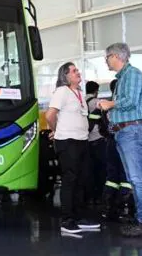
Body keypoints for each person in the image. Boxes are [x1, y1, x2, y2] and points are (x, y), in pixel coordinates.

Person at [98, 43, 142, 237]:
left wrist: (109, 104)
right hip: (125, 133)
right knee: (134, 178)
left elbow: (129, 100)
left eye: (107, 57)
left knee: (138, 178)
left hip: (132, 132)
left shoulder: (132, 75)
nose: (106, 61)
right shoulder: (123, 78)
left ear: (115, 56)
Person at [45, 62, 100, 234]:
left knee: (82, 179)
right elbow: (50, 115)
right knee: (70, 180)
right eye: (74, 71)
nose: (78, 72)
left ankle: (78, 216)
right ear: (66, 76)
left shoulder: (80, 94)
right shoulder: (62, 91)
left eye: (77, 70)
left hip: (82, 141)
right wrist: (56, 130)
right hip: (67, 142)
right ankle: (67, 220)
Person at [101, 79, 133, 222]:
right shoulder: (123, 105)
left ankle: (108, 209)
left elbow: (102, 126)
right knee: (125, 176)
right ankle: (124, 209)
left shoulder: (106, 104)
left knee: (112, 177)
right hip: (124, 142)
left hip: (110, 143)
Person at [84, 81, 107, 204]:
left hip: (86, 140)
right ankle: (100, 195)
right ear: (96, 90)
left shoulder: (81, 102)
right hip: (98, 138)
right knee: (102, 169)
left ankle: (89, 195)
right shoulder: (96, 102)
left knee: (89, 169)